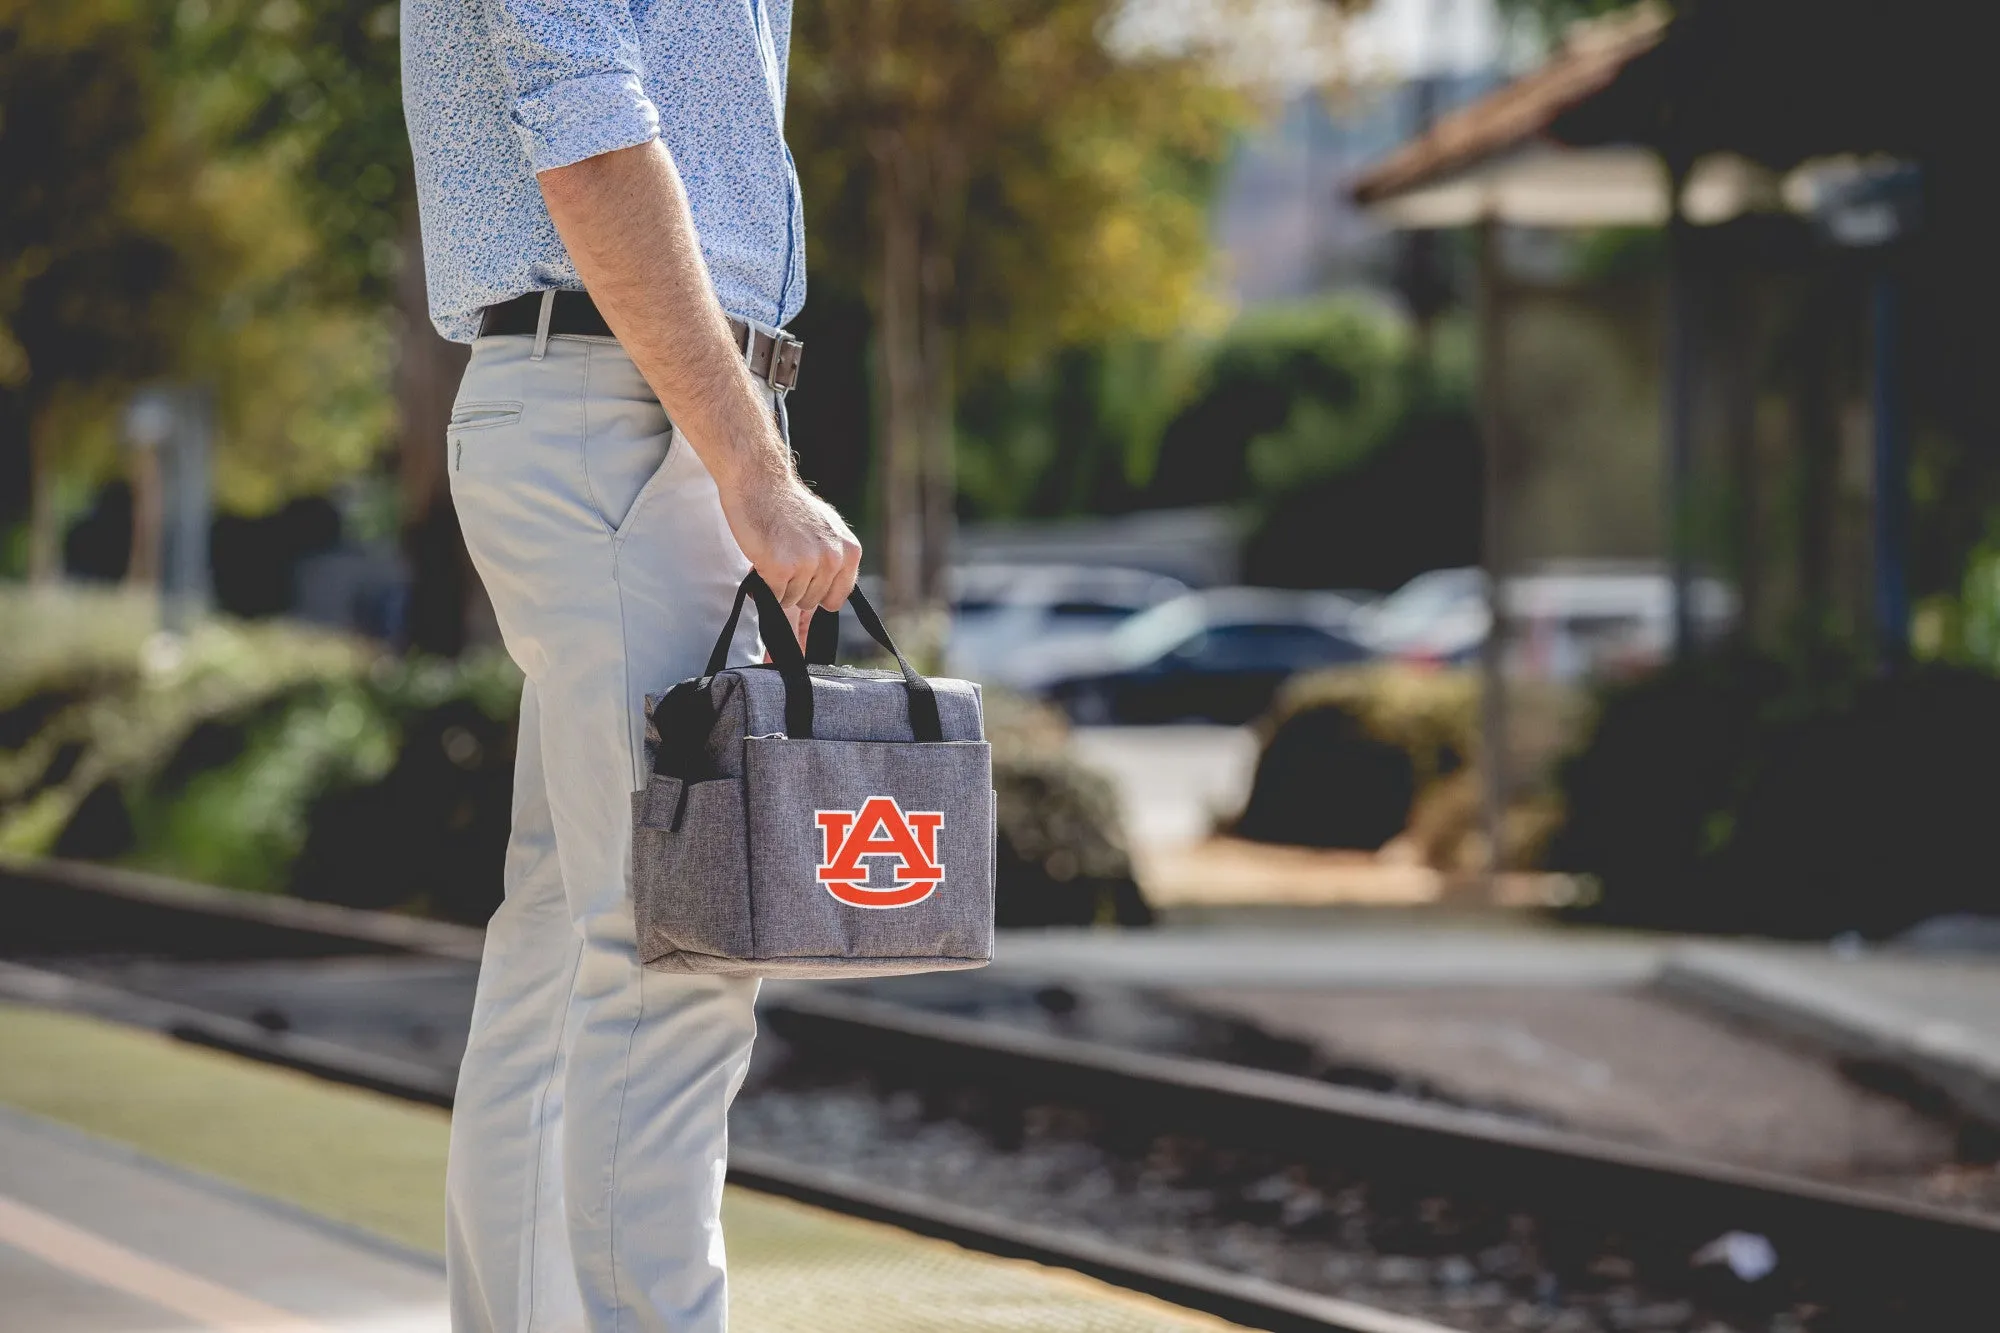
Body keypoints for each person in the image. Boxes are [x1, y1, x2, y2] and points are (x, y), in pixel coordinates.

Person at [400, 0, 859, 1326]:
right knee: (680, 950)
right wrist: (753, 471)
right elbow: (589, 135)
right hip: (630, 416)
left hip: (623, 401)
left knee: (566, 936)